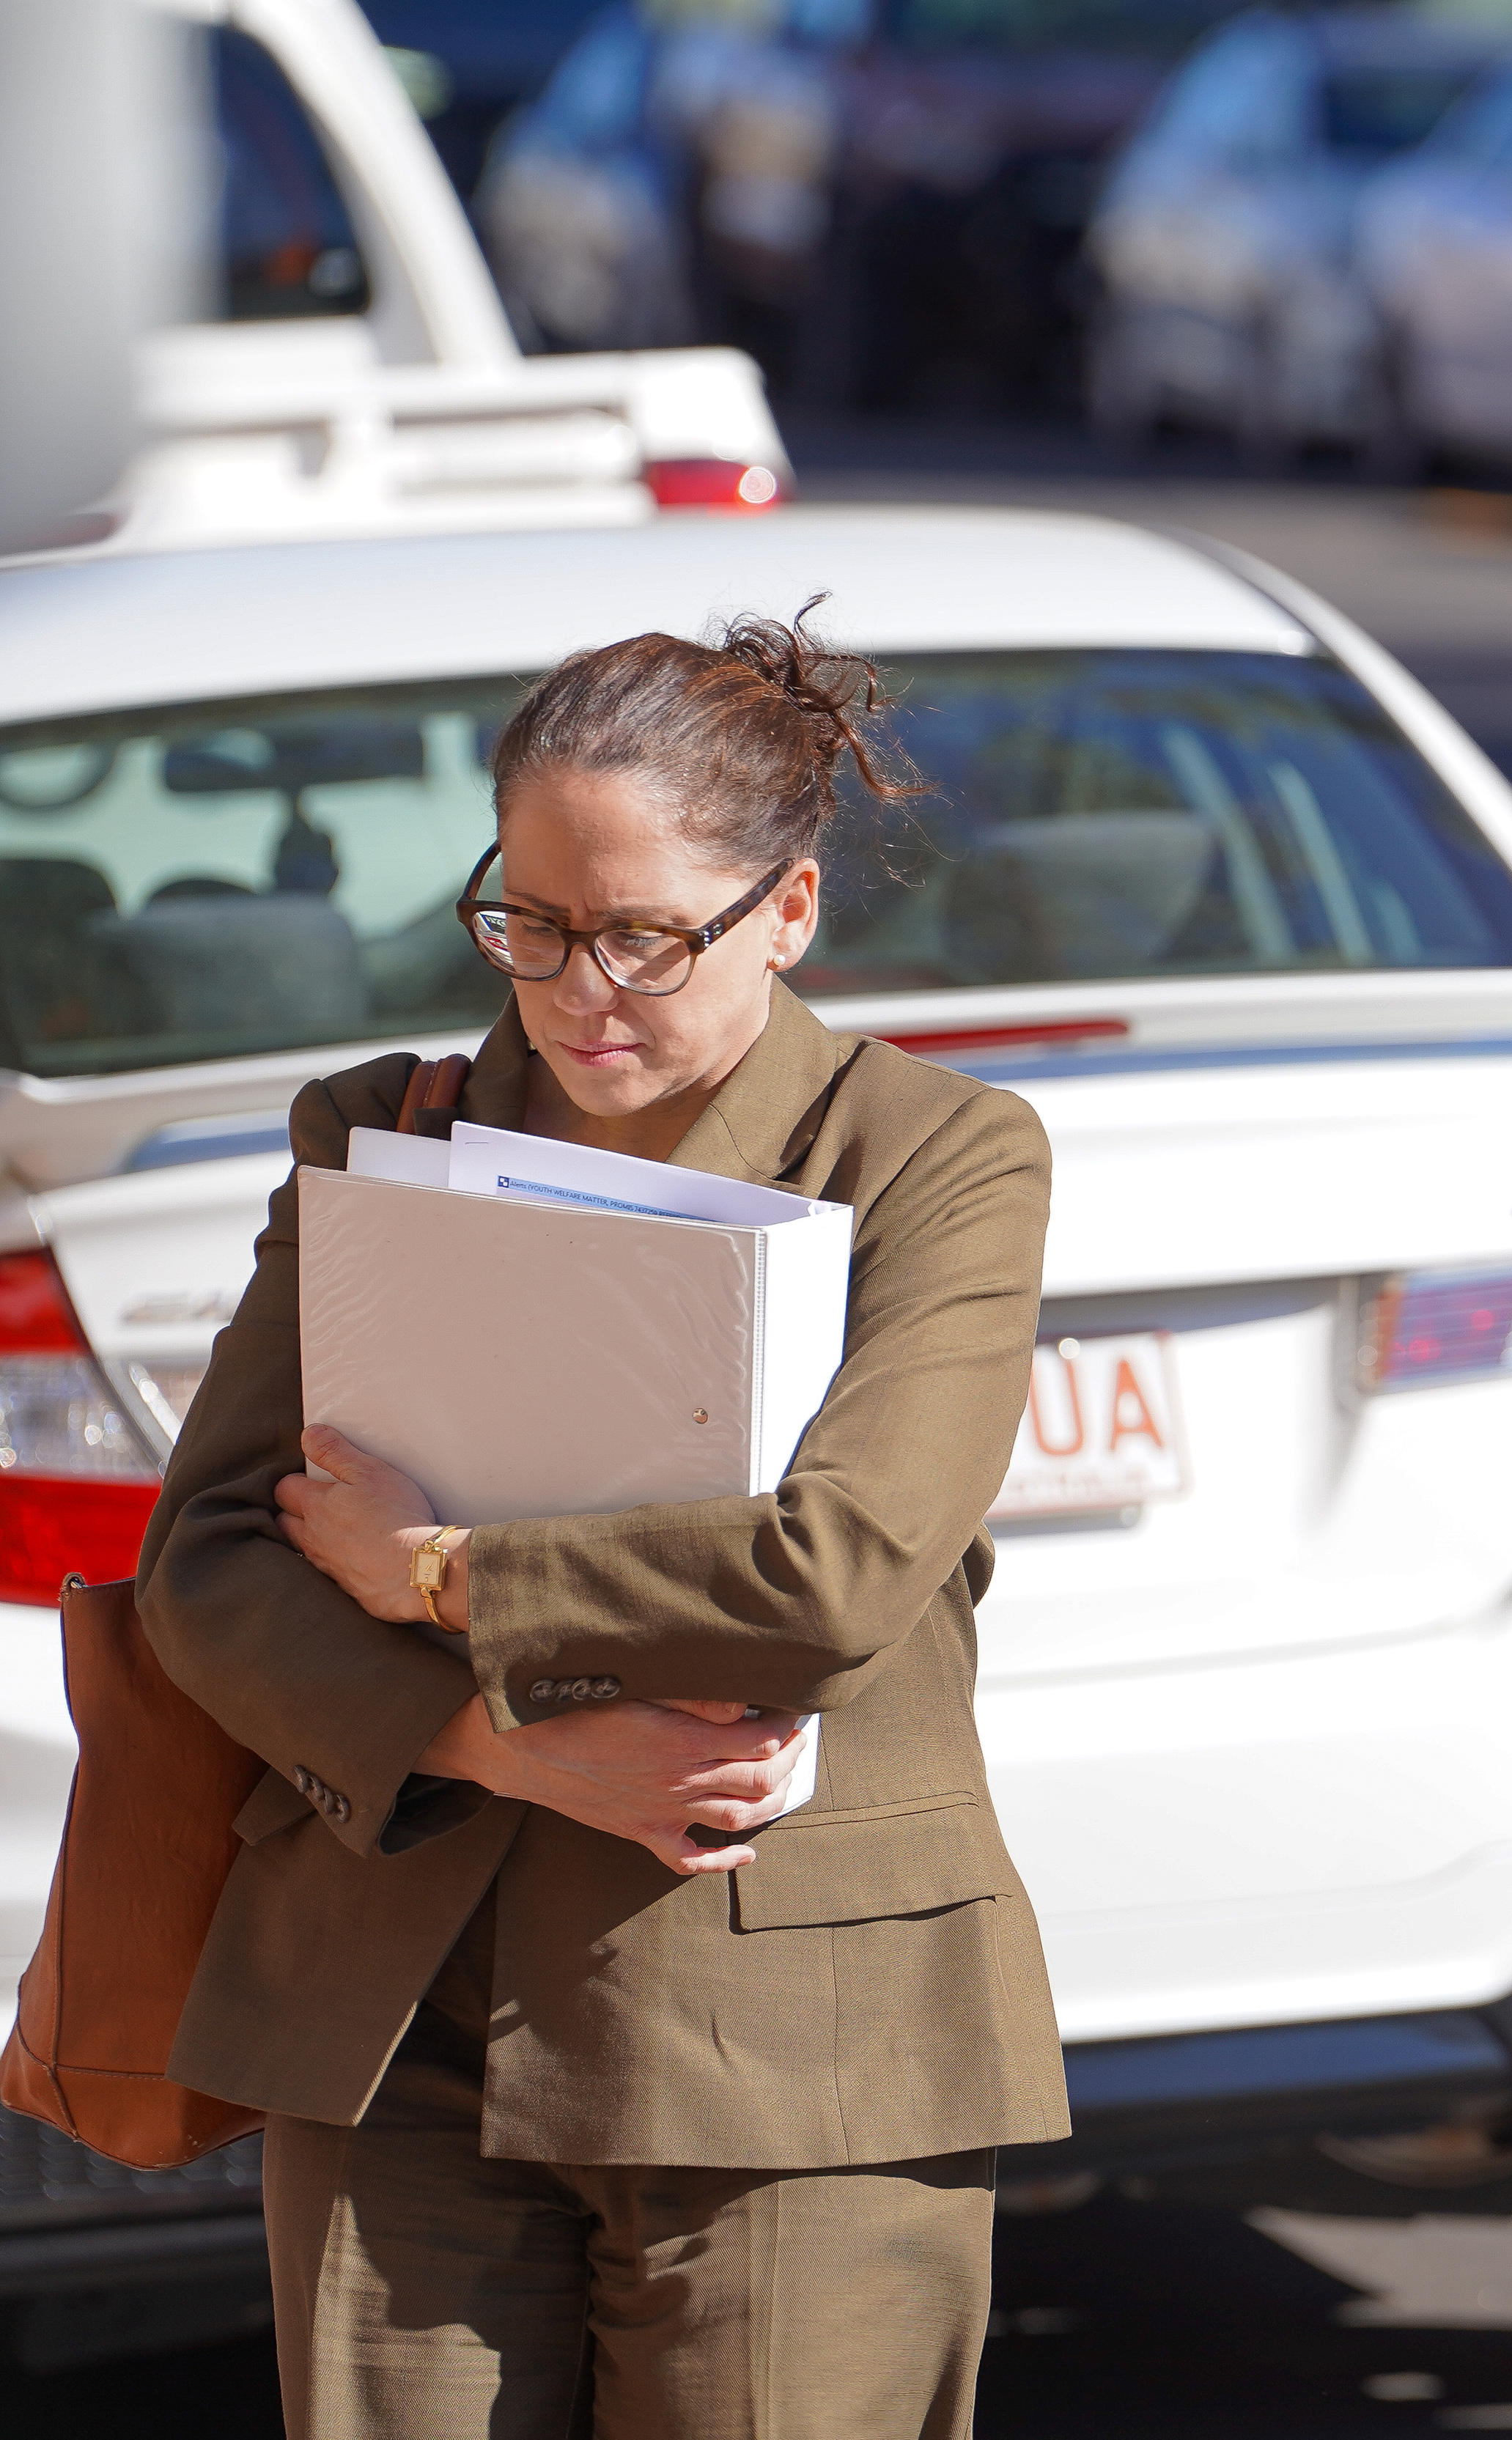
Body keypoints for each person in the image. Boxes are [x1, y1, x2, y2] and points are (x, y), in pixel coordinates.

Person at [138, 611, 1068, 2439]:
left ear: (788, 911)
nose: (580, 991)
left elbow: (837, 1573)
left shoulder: (932, 1155)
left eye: (644, 936)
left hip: (793, 2044)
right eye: (532, 925)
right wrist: (489, 1744)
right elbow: (212, 1567)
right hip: (394, 2011)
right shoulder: (381, 1133)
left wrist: (440, 1576)